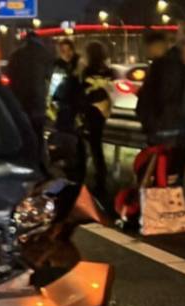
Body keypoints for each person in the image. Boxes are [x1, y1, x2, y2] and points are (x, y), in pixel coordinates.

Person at [135, 39, 185, 186]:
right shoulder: (171, 68)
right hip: (172, 136)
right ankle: (163, 205)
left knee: (162, 179)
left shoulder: (179, 68)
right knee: (170, 181)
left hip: (167, 135)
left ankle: (158, 204)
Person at [6, 31, 54, 146]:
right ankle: (39, 157)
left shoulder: (17, 54)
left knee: (23, 131)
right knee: (37, 132)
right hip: (38, 99)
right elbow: (50, 76)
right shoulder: (45, 54)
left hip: (20, 99)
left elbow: (9, 75)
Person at [81, 41, 112, 196]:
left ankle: (96, 180)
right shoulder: (107, 71)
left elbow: (84, 93)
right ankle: (101, 178)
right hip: (102, 112)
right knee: (96, 145)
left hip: (91, 112)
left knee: (92, 146)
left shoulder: (87, 71)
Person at [51, 39, 83, 133]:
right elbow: (54, 84)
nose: (67, 53)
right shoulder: (58, 64)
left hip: (76, 104)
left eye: (69, 50)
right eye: (63, 51)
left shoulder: (79, 63)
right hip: (62, 103)